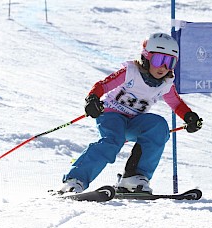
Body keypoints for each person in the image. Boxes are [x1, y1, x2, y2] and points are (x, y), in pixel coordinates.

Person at [58, 33, 202, 194]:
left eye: (170, 62)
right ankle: (74, 180)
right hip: (111, 115)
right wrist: (92, 99)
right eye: (158, 60)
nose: (163, 67)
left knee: (158, 126)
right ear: (146, 57)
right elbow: (103, 85)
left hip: (134, 122)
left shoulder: (166, 84)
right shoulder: (131, 72)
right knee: (113, 141)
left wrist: (189, 117)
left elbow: (176, 103)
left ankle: (133, 177)